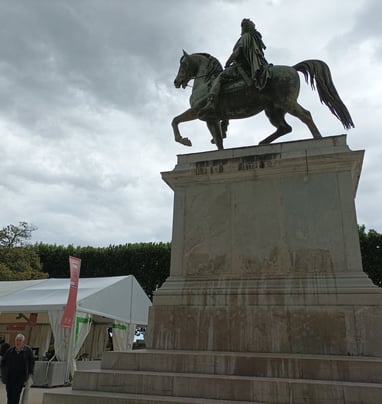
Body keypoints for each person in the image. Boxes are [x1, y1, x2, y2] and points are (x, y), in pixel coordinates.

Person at [199, 18, 271, 117]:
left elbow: (237, 52)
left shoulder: (245, 36)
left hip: (242, 67)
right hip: (252, 65)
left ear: (244, 27)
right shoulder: (255, 37)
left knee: (220, 77)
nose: (241, 29)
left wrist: (228, 62)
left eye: (242, 27)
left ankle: (211, 102)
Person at [1, 334, 35, 404]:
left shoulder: (28, 350)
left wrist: (30, 374)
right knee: (9, 395)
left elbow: (31, 362)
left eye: (20, 340)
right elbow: (3, 362)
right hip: (9, 377)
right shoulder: (10, 350)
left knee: (16, 395)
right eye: (17, 340)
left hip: (20, 378)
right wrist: (4, 373)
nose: (18, 342)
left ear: (23, 342)